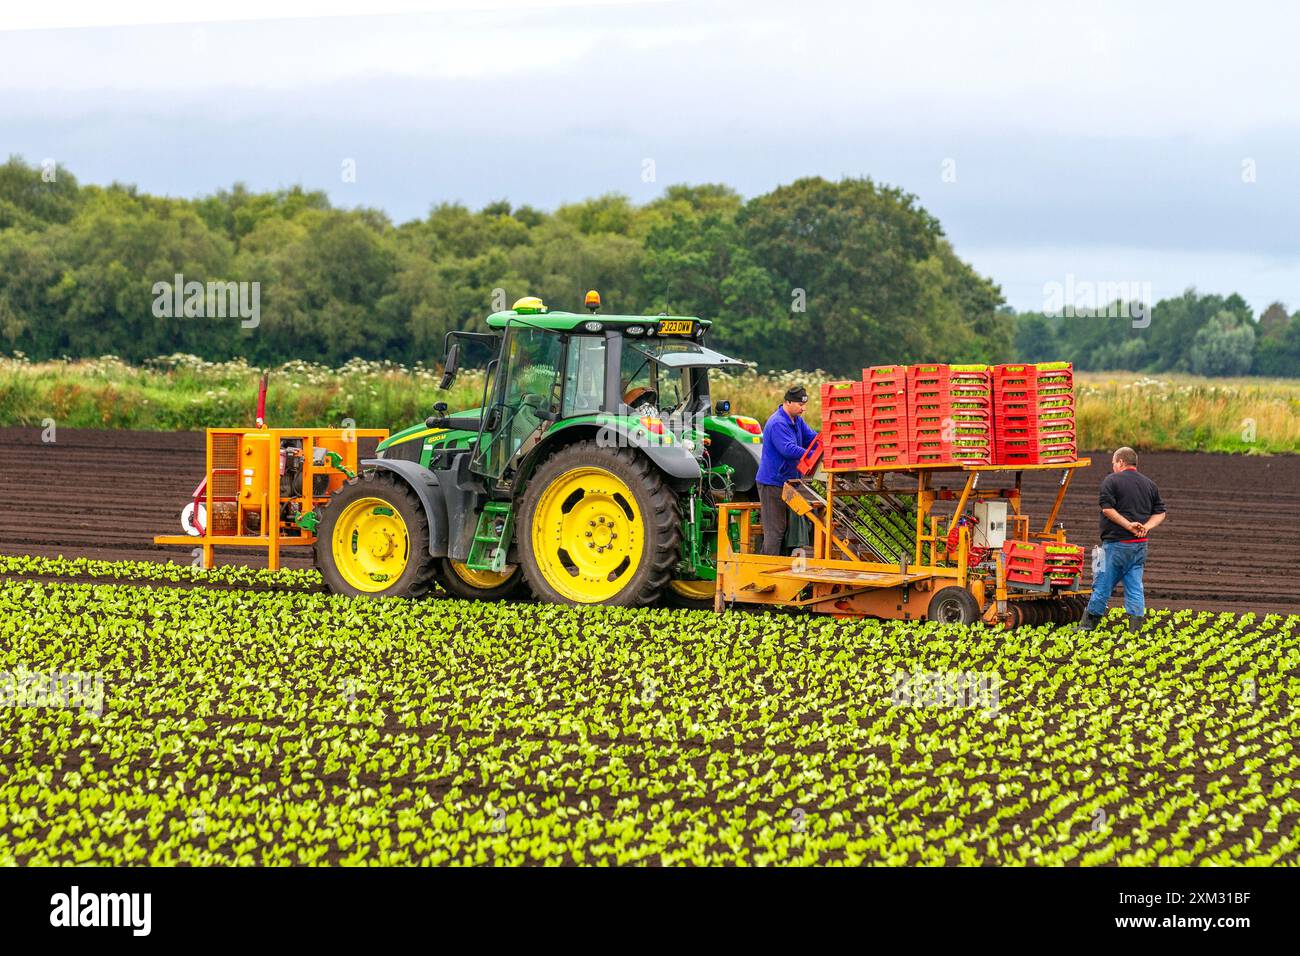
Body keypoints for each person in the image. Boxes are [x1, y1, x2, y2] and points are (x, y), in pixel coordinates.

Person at [1079, 446, 1167, 630]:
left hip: (1116, 545)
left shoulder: (1111, 481)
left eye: (1113, 463)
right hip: (1139, 546)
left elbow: (1107, 509)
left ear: (1120, 462)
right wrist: (1145, 527)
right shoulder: (1149, 484)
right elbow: (1160, 513)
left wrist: (1128, 526)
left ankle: (1088, 626)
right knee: (1135, 586)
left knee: (1102, 583)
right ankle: (1135, 628)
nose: (1113, 467)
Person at [755, 386, 819, 556]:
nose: (803, 408)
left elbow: (811, 438)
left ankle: (781, 566)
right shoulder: (778, 423)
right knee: (775, 530)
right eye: (800, 404)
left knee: (788, 530)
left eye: (805, 404)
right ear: (787, 402)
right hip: (772, 483)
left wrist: (826, 445)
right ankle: (767, 569)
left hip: (789, 482)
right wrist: (814, 454)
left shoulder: (797, 420)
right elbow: (788, 450)